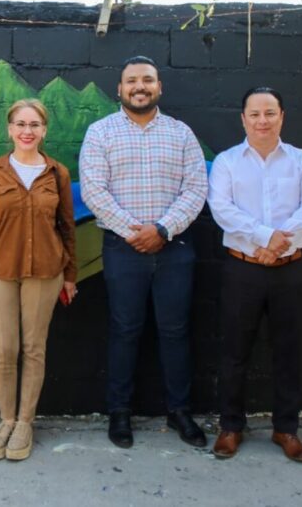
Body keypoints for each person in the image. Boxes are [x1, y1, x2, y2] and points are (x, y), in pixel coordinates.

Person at [79, 55, 209, 449]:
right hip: (123, 248)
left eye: (148, 80)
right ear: (119, 89)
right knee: (124, 329)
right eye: (132, 80)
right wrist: (135, 232)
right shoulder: (100, 133)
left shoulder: (181, 133)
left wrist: (163, 229)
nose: (140, 86)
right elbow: (94, 191)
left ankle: (179, 410)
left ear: (159, 87)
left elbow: (196, 189)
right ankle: (119, 412)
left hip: (174, 248)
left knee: (176, 330)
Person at [207, 87, 302, 463]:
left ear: (282, 117)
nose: (263, 121)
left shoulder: (301, 161)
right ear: (243, 119)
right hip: (242, 269)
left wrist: (277, 244)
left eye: (270, 113)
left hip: (288, 270)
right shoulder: (227, 162)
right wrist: (265, 237)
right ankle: (231, 427)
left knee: (289, 351)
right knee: (234, 351)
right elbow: (222, 209)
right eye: (255, 114)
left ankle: (286, 429)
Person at [0, 98, 77, 461]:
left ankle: (25, 423)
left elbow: (67, 228)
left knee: (33, 348)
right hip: (2, 271)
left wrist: (70, 275)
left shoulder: (57, 174)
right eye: (20, 124)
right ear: (10, 129)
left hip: (46, 272)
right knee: (4, 349)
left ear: (44, 130)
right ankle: (6, 419)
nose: (27, 131)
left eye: (34, 125)